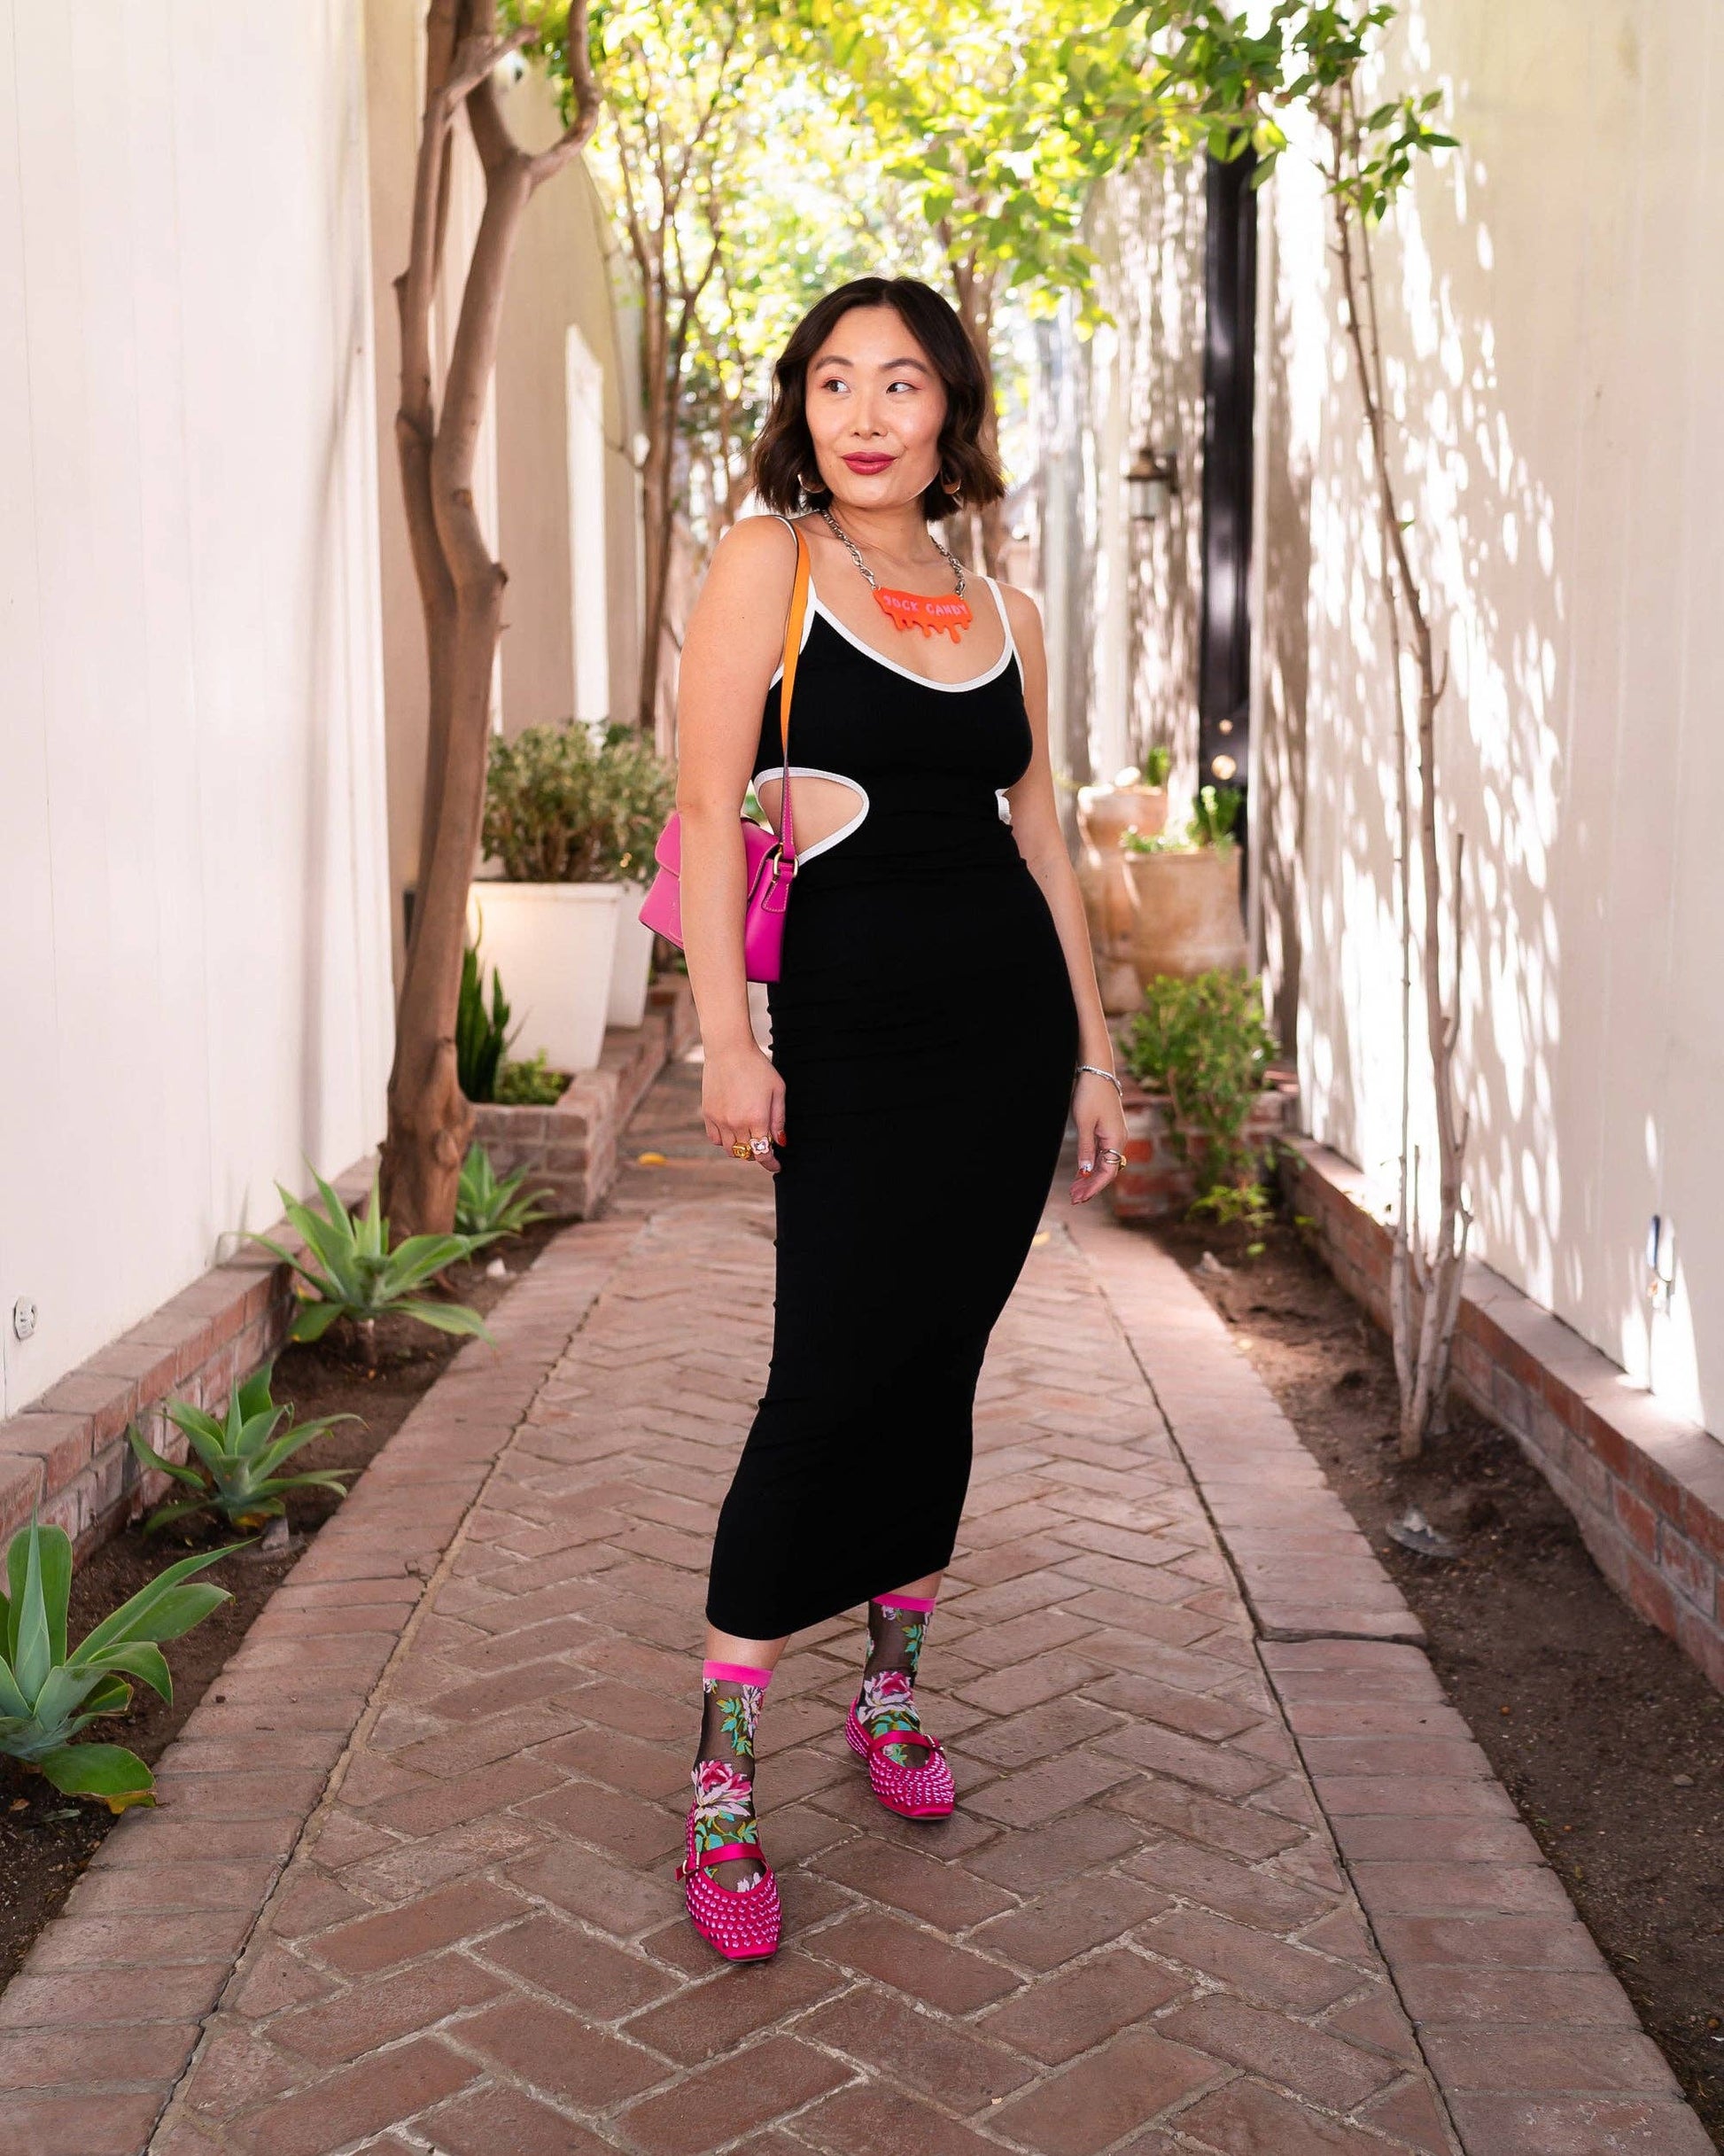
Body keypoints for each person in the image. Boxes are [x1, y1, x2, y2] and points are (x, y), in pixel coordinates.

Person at [671, 275, 1129, 1960]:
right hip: (850, 1039)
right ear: (802, 408)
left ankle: (887, 1693)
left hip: (1005, 1040)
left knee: (938, 1366)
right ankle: (720, 1782)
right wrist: (727, 1040)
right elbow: (702, 810)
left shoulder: (1006, 605)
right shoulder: (769, 561)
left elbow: (1043, 839)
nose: (866, 414)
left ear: (951, 412)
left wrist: (1092, 1053)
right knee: (823, 1378)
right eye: (836, 382)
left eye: (903, 382)